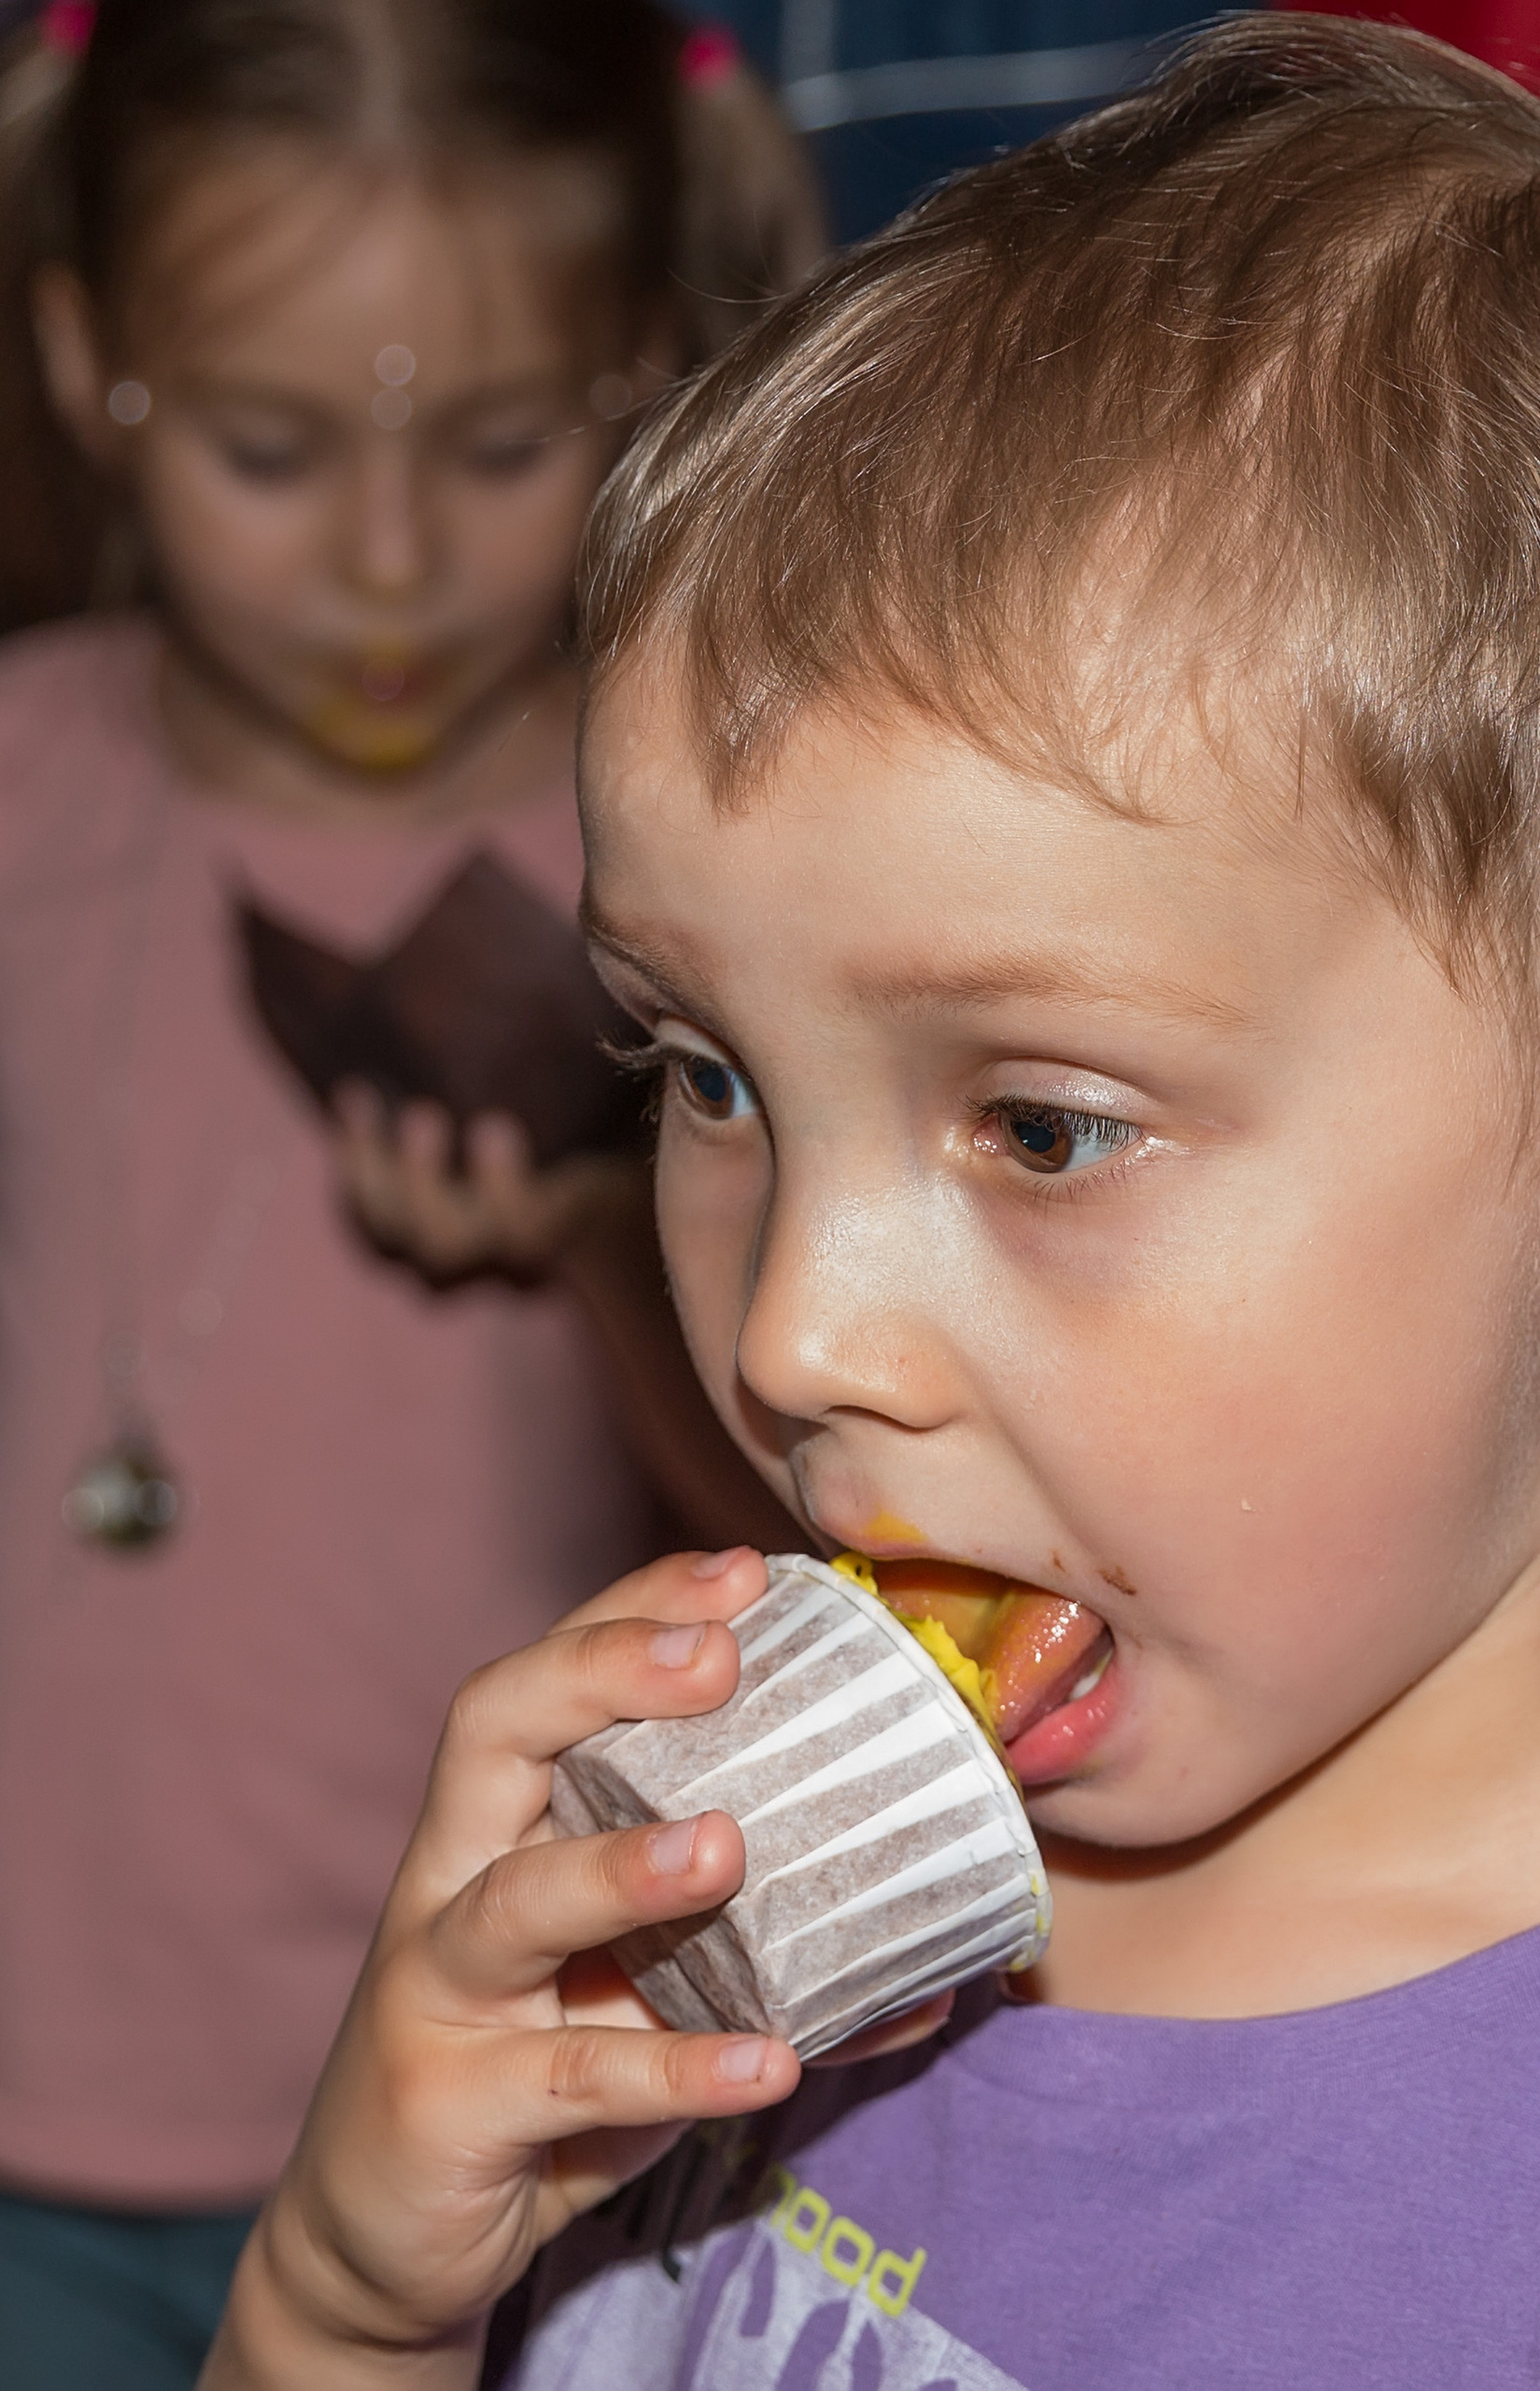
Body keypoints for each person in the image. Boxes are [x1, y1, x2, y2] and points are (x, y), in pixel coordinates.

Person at [197, 20, 1540, 2388]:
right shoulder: (770, 1912)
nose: (794, 1332)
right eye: (709, 1071)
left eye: (1040, 1124)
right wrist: (347, 2299)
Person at [0, 4, 818, 2384]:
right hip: (40, 2089)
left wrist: (591, 1243)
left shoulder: (718, 864)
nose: (379, 561)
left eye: (489, 448)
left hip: (547, 2110)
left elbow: (830, 1502)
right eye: (268, 449)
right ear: (85, 361)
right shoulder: (26, 793)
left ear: (646, 369)